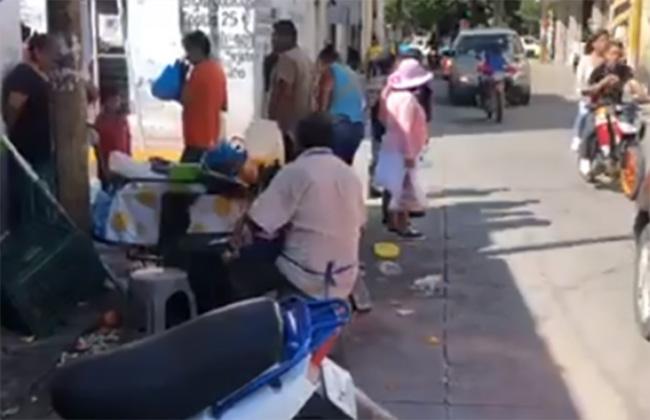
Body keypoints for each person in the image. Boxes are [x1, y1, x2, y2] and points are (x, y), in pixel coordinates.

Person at [228, 112, 365, 300]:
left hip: (306, 277)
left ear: (296, 140)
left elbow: (258, 222)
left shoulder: (296, 172)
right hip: (345, 276)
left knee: (240, 264)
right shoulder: (349, 175)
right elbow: (360, 222)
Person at [1, 33, 56, 228]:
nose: (53, 59)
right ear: (38, 52)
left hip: (39, 153)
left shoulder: (40, 77)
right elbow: (13, 108)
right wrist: (13, 131)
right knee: (30, 206)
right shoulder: (23, 76)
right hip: (29, 154)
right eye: (50, 54)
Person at [374, 58, 431, 239]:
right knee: (405, 190)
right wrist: (408, 153)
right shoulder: (407, 100)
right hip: (403, 149)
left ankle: (393, 222)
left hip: (390, 146)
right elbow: (405, 127)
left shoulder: (390, 95)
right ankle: (403, 225)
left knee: (393, 188)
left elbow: (383, 120)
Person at [268, 20, 315, 162]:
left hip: (288, 127)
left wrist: (275, 122)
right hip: (303, 125)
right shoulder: (304, 58)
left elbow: (284, 92)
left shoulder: (286, 58)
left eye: (275, 36)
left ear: (287, 38)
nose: (272, 40)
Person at [180, 30, 228, 163]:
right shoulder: (219, 71)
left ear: (197, 50)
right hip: (213, 138)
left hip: (196, 139)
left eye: (188, 51)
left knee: (184, 180)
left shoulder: (198, 72)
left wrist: (182, 77)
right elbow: (223, 105)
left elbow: (185, 99)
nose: (187, 57)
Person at [314, 45, 365, 165]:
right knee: (345, 166)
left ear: (324, 61)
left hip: (338, 125)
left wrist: (318, 119)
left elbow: (324, 97)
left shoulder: (330, 71)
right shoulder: (352, 73)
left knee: (331, 167)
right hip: (357, 126)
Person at [571, 29, 609, 152]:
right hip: (588, 96)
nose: (605, 43)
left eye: (606, 40)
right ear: (594, 44)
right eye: (602, 40)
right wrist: (582, 91)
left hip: (605, 97)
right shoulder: (585, 60)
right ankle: (577, 137)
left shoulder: (609, 60)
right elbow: (579, 79)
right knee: (583, 113)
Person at [92, 86, 131, 189]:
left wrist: (129, 161)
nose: (116, 103)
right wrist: (104, 169)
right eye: (113, 100)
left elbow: (128, 140)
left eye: (117, 100)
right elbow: (98, 148)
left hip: (123, 165)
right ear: (106, 102)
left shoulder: (122, 120)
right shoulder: (100, 121)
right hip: (107, 166)